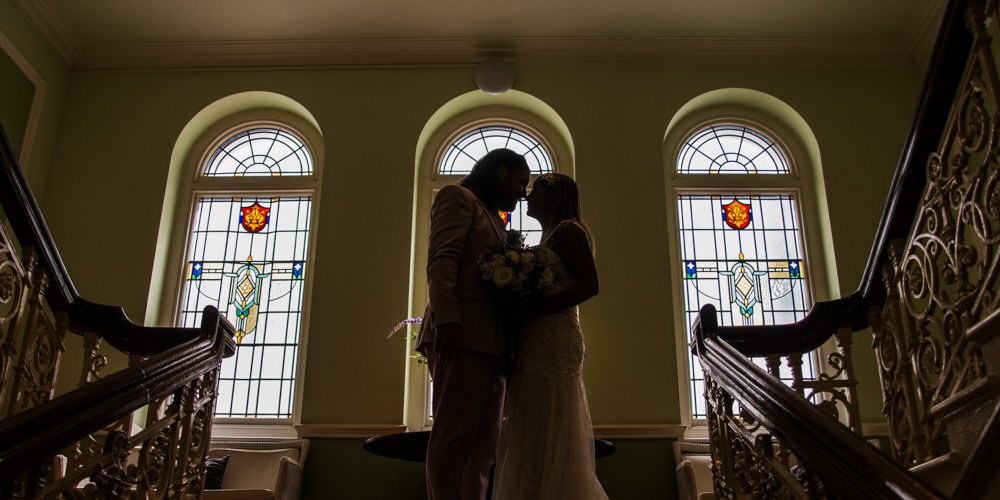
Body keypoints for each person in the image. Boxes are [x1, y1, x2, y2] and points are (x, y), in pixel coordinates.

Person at [416, 148, 531, 500]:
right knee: (453, 440)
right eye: (520, 183)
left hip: (492, 346)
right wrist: (448, 320)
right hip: (460, 338)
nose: (522, 194)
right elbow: (442, 260)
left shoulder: (494, 217)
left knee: (484, 450)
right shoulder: (457, 197)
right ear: (500, 172)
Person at [492, 172, 608, 500]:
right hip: (535, 339)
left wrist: (534, 310)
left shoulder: (569, 231)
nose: (528, 196)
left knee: (550, 421)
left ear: (553, 197)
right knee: (532, 426)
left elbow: (589, 284)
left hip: (554, 340)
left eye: (536, 190)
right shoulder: (550, 234)